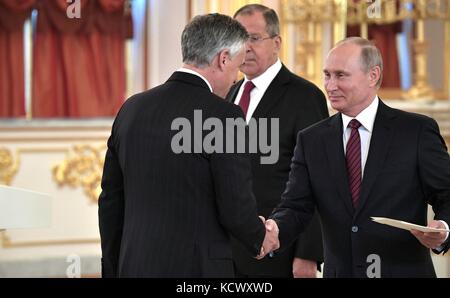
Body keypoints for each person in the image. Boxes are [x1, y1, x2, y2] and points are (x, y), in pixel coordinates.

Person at [98, 13, 278, 278]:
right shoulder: (224, 116)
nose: (234, 79)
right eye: (236, 68)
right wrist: (260, 236)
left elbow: (111, 201)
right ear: (223, 59)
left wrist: (114, 267)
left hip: (134, 264)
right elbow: (235, 206)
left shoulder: (131, 108)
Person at [265, 37, 450, 277]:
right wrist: (274, 230)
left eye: (341, 75)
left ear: (373, 75)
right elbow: (296, 206)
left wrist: (443, 227)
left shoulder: (416, 132)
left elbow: (447, 194)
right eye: (327, 75)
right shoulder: (311, 140)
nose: (330, 86)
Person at [226, 4, 328, 278]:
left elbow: (318, 178)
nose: (245, 47)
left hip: (279, 248)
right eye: (238, 39)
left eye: (254, 38)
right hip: (226, 250)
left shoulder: (304, 96)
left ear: (277, 42)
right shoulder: (228, 94)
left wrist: (308, 253)